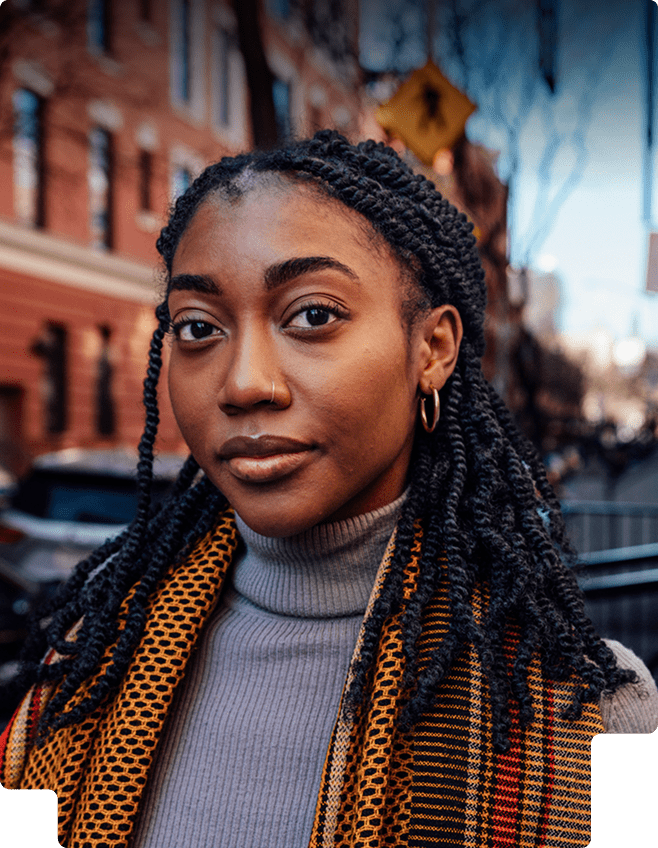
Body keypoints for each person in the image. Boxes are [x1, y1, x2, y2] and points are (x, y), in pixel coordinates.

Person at [1, 131, 656, 848]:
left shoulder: (614, 719)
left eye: (313, 315)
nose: (245, 382)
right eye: (197, 327)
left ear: (432, 349)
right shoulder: (68, 683)